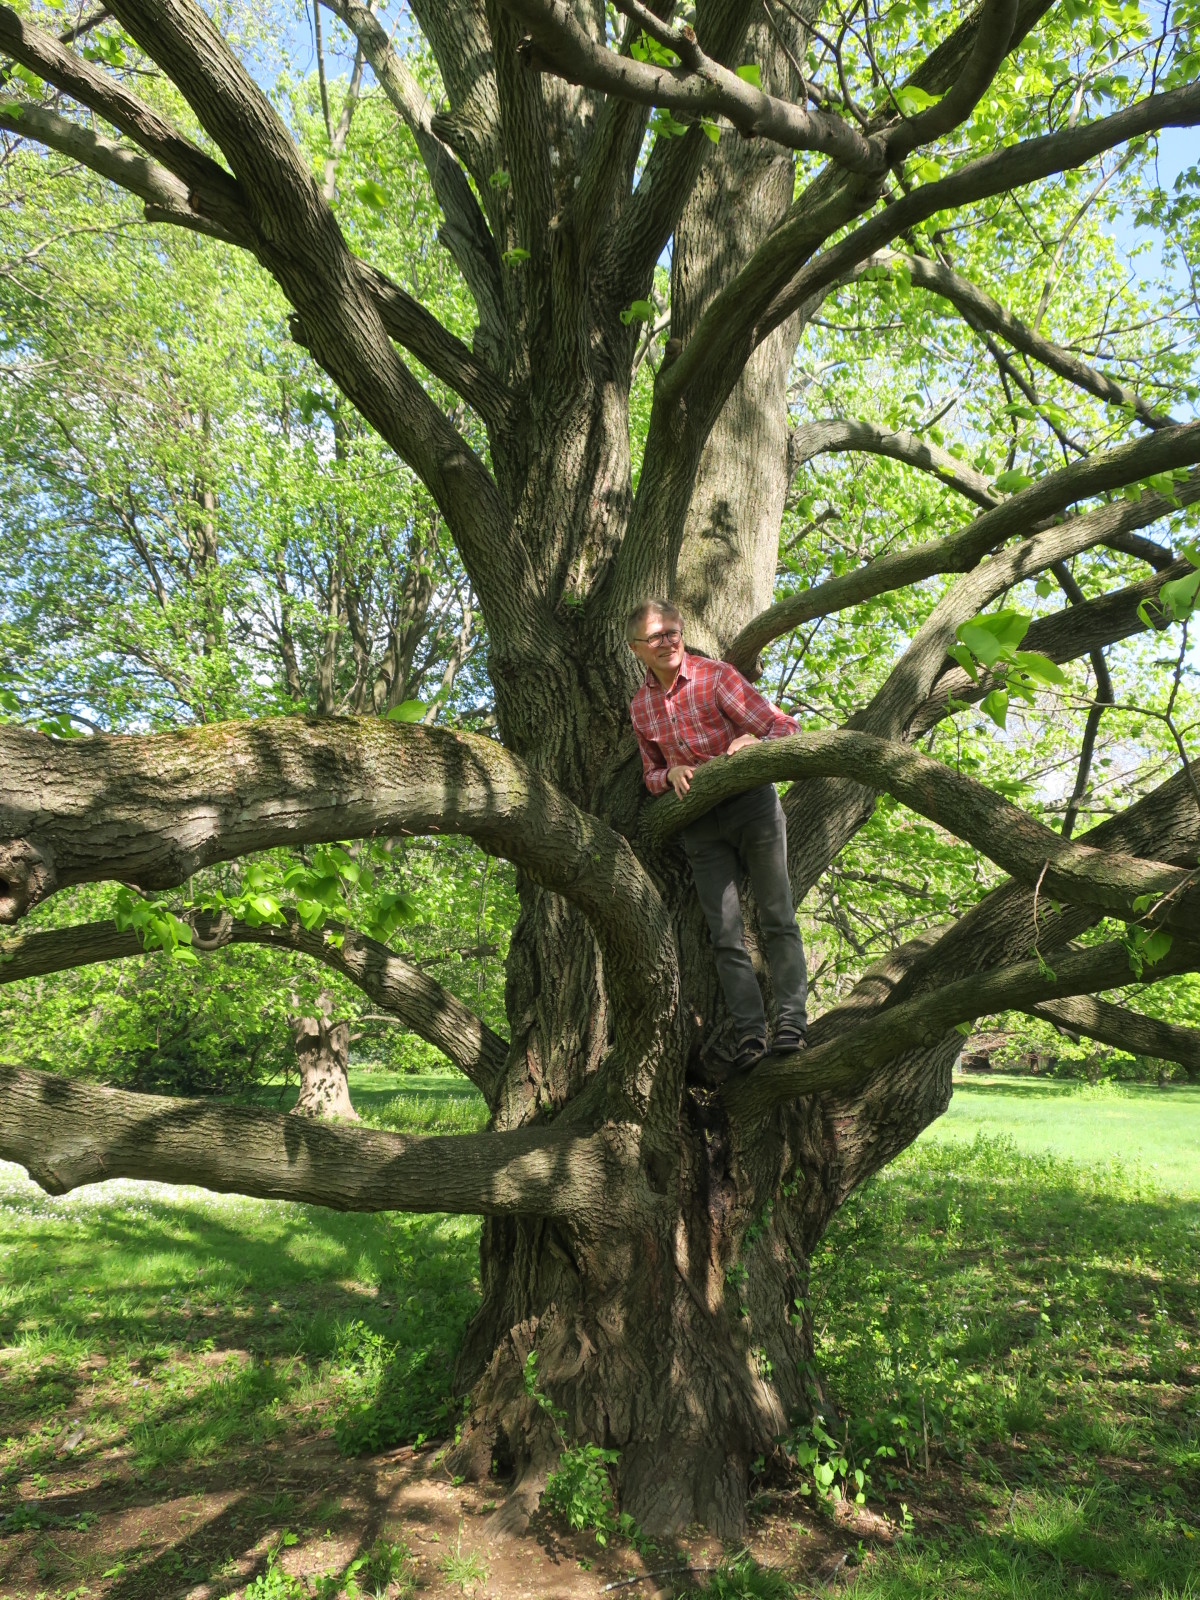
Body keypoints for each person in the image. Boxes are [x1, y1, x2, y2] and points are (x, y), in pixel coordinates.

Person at [627, 599, 809, 1076]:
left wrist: (756, 742)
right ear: (636, 649)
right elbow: (650, 774)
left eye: (672, 632)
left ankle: (792, 1025)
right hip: (700, 823)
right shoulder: (641, 706)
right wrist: (669, 774)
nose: (667, 642)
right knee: (725, 935)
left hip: (752, 807)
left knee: (777, 918)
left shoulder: (715, 676)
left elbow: (784, 726)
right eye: (655, 636)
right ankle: (751, 1034)